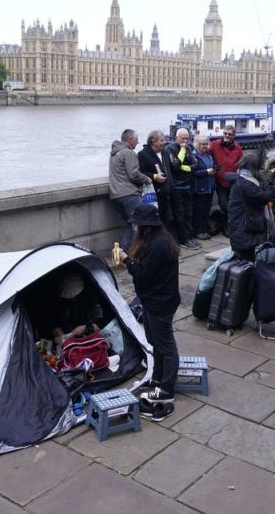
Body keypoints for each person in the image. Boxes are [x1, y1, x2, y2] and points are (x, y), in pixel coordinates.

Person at [120, 205, 180, 422]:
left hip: (159, 303)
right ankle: (157, 379)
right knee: (155, 340)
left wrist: (126, 259)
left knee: (165, 344)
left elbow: (142, 275)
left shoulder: (156, 246)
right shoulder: (161, 239)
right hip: (158, 299)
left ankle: (166, 390)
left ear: (146, 227)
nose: (134, 227)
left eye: (136, 224)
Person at [227, 152, 275, 261]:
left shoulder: (243, 177)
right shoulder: (247, 183)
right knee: (245, 257)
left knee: (246, 255)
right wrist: (271, 188)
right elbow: (264, 196)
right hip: (242, 225)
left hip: (241, 223)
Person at [109, 128, 151, 249]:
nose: (138, 143)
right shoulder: (128, 153)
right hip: (129, 195)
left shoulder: (114, 152)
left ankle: (122, 251)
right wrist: (146, 179)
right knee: (139, 222)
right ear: (130, 139)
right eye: (136, 140)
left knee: (131, 222)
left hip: (115, 195)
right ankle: (127, 251)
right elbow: (134, 174)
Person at [166, 128, 199, 249]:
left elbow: (195, 165)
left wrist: (184, 167)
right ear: (176, 137)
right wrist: (183, 150)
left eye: (187, 138)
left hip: (188, 185)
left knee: (189, 213)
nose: (185, 141)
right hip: (177, 187)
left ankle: (190, 236)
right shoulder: (170, 149)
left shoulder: (190, 148)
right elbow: (174, 167)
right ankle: (183, 239)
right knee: (180, 214)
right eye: (183, 138)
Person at [208, 125, 243, 229]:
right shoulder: (215, 145)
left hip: (233, 182)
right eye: (225, 133)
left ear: (234, 136)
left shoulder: (237, 148)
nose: (227, 136)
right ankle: (227, 225)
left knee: (232, 205)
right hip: (220, 181)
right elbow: (204, 152)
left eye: (229, 134)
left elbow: (241, 163)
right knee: (223, 204)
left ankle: (229, 226)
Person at [138, 130, 173, 228]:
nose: (164, 142)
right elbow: (140, 173)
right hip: (154, 194)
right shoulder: (143, 154)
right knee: (155, 221)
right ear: (152, 141)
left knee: (167, 220)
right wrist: (154, 176)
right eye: (162, 140)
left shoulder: (165, 152)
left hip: (167, 192)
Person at [191, 136, 216, 240]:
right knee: (199, 211)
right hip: (199, 188)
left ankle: (204, 229)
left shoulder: (208, 155)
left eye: (207, 144)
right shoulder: (194, 156)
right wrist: (206, 172)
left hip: (209, 186)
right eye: (203, 144)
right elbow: (193, 172)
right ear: (197, 144)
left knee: (206, 210)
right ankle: (198, 231)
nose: (206, 146)